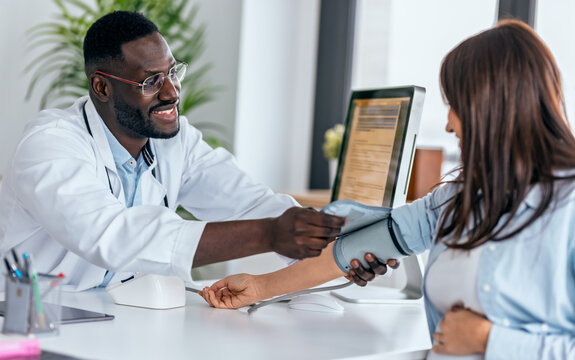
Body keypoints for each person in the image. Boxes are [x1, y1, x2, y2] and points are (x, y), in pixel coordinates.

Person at [199, 19, 575, 359]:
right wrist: (261, 288)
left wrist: (490, 340)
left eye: (455, 106)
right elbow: (354, 250)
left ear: (492, 107)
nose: (448, 124)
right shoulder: (457, 199)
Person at [0, 10, 387, 292]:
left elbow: (250, 205)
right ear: (102, 88)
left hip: (116, 317)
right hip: (34, 323)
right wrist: (271, 234)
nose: (171, 92)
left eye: (172, 72)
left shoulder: (176, 140)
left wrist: (342, 249)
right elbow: (113, 236)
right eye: (151, 81)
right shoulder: (50, 145)